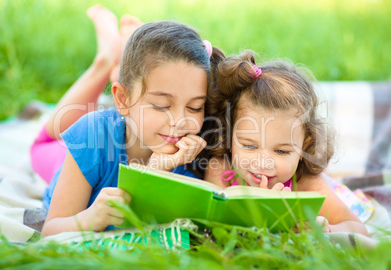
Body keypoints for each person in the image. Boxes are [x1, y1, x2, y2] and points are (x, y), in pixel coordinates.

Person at [34, 5, 225, 236]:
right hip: (74, 152)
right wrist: (88, 219)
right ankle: (106, 60)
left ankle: (122, 58)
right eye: (162, 106)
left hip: (124, 120)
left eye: (195, 107)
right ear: (122, 100)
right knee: (47, 141)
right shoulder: (91, 137)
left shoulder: (195, 155)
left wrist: (157, 173)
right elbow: (50, 230)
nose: (179, 121)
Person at [204, 50, 369, 236]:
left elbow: (358, 229)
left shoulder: (305, 182)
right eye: (249, 146)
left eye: (281, 151)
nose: (262, 162)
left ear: (304, 147)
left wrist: (324, 229)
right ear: (230, 133)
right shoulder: (220, 170)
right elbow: (212, 223)